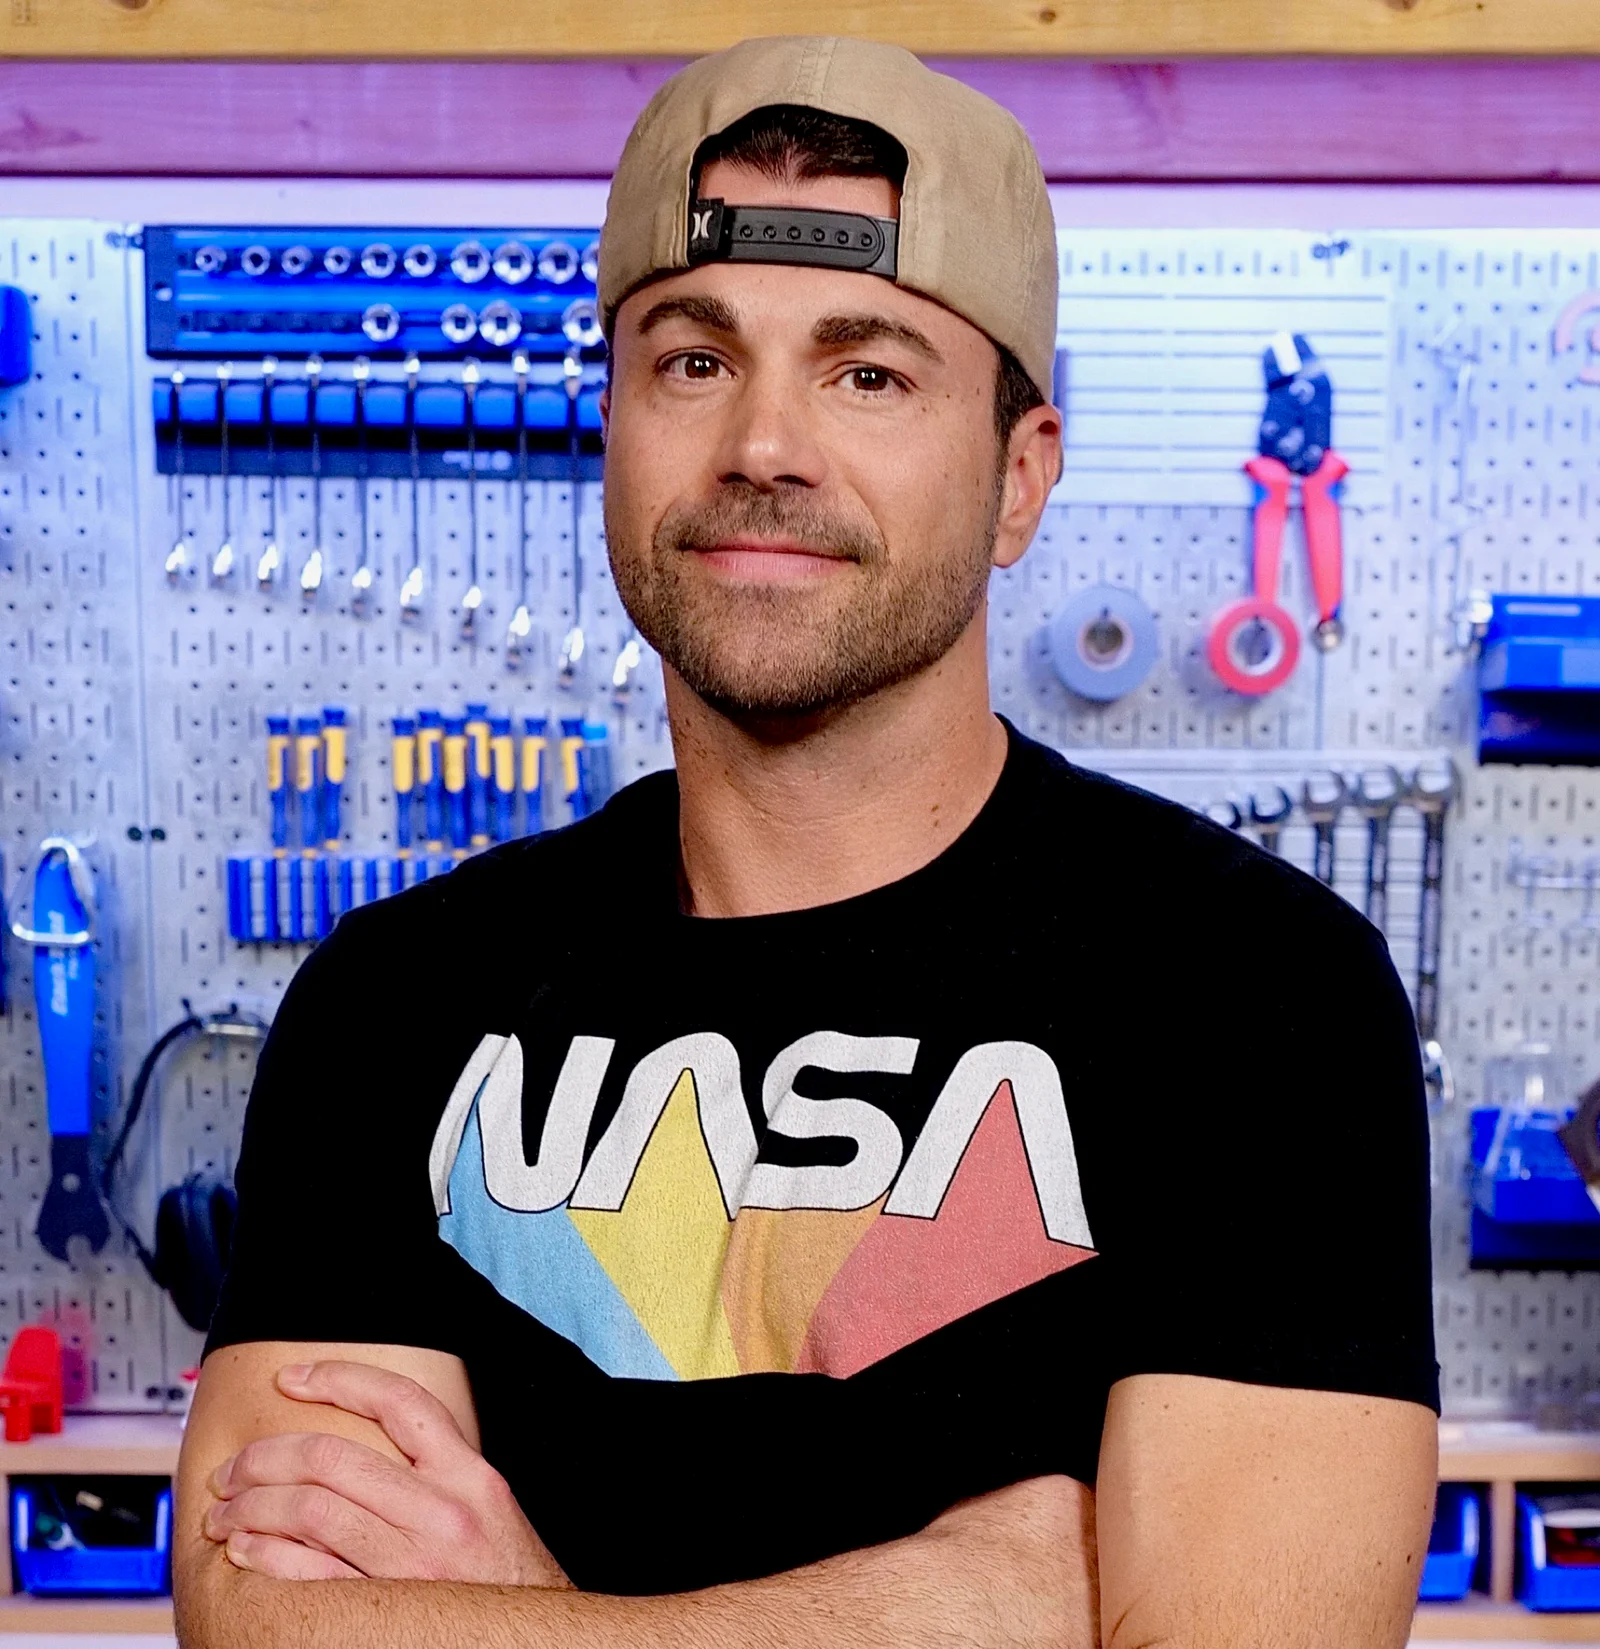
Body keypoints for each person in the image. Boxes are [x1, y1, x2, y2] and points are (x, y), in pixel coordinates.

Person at [174, 35, 1439, 1649]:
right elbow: (268, 1623)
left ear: (1018, 479)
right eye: (693, 361)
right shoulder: (398, 999)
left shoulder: (1254, 997)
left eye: (870, 372)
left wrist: (522, 1618)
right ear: (616, 423)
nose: (764, 445)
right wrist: (964, 1605)